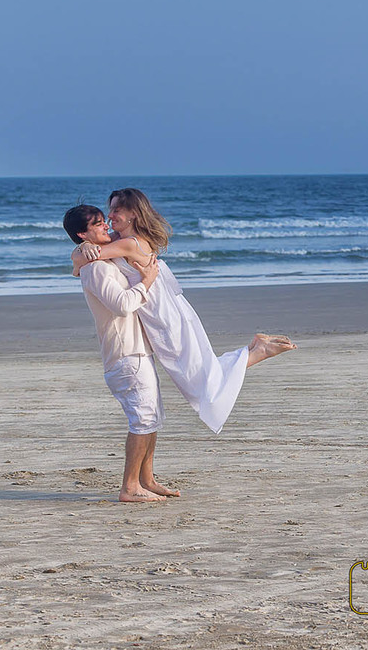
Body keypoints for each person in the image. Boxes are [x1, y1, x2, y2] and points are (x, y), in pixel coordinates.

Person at [71, 188, 296, 434]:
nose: (110, 216)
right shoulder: (121, 238)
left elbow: (85, 261)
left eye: (116, 210)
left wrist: (81, 251)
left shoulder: (129, 243)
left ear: (133, 214)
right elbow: (85, 255)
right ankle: (255, 350)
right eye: (110, 210)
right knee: (197, 367)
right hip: (161, 309)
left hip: (162, 314)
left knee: (193, 374)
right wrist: (82, 247)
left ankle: (258, 352)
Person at [63, 204, 175, 503]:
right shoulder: (97, 268)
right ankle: (129, 487)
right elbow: (123, 305)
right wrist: (147, 280)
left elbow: (84, 256)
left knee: (152, 418)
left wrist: (80, 251)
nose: (106, 226)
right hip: (125, 354)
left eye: (104, 220)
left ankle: (147, 480)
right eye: (98, 224)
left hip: (137, 350)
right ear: (82, 233)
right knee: (142, 420)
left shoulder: (102, 256)